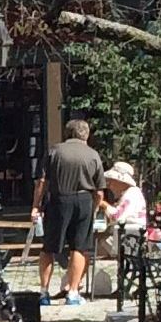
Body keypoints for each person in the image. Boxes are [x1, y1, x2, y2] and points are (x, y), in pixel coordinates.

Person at [34, 117, 106, 306]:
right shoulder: (93, 155)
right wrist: (95, 208)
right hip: (84, 200)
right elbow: (99, 191)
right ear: (86, 135)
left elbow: (42, 182)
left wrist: (36, 205)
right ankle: (73, 292)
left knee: (49, 247)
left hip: (58, 199)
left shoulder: (54, 151)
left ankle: (44, 292)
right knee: (79, 247)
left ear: (68, 133)